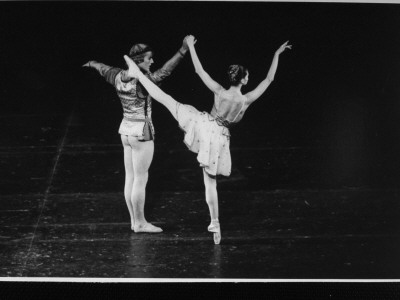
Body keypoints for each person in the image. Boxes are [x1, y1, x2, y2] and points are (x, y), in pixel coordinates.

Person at [122, 35, 291, 244]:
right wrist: (276, 55)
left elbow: (199, 71)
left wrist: (191, 47)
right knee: (210, 183)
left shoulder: (219, 91)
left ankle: (138, 75)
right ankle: (215, 222)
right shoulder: (246, 100)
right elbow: (268, 80)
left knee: (167, 100)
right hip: (219, 139)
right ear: (244, 79)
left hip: (202, 126)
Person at [82, 38, 190, 233]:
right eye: (149, 59)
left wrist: (91, 63)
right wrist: (182, 51)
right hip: (141, 132)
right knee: (140, 179)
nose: (152, 62)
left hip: (125, 130)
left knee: (130, 177)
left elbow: (103, 68)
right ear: (139, 60)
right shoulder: (143, 82)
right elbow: (165, 71)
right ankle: (140, 222)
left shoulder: (117, 75)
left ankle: (134, 221)